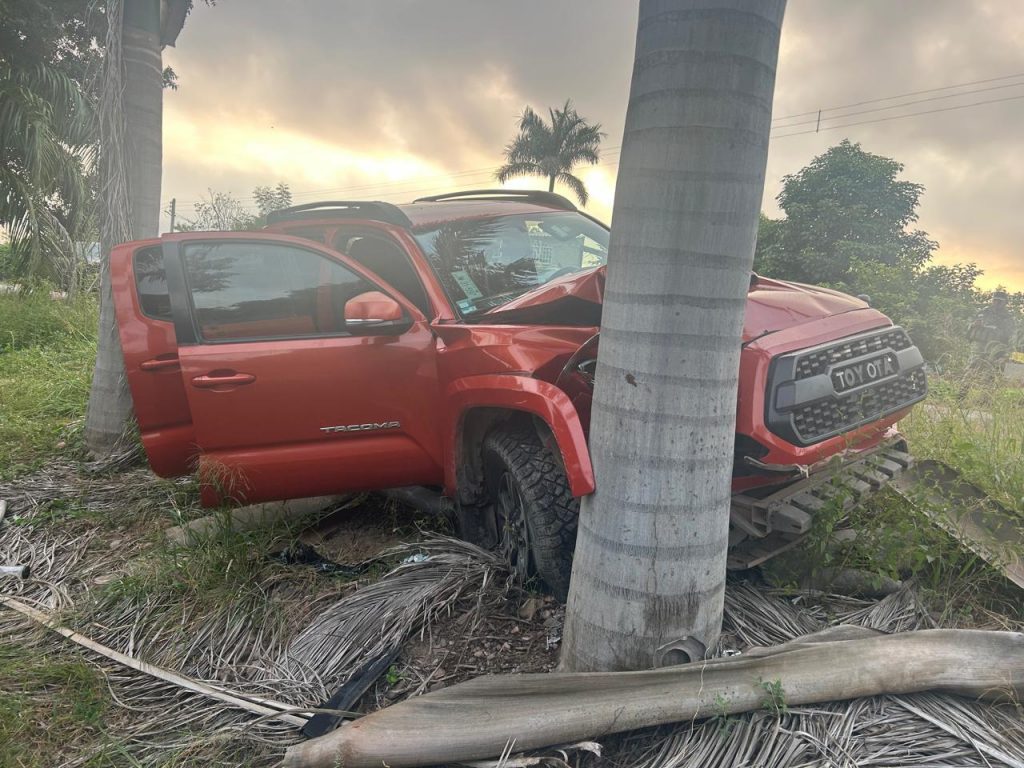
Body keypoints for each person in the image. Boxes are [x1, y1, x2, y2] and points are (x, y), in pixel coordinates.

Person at [962, 290, 1017, 396]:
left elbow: (1009, 334)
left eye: (1000, 301)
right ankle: (962, 393)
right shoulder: (983, 312)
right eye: (995, 300)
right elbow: (968, 325)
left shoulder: (1008, 317)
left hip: (994, 347)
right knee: (972, 367)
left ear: (1005, 303)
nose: (997, 303)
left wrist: (1005, 352)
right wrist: (973, 324)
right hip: (979, 344)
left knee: (990, 372)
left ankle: (985, 397)